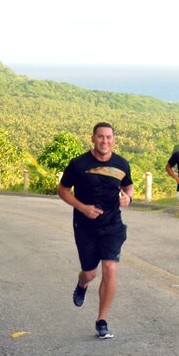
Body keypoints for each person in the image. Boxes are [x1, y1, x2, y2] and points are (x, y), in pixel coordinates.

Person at [58, 122, 134, 339]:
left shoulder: (121, 163)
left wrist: (128, 197)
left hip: (112, 225)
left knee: (110, 268)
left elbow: (128, 185)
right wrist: (82, 207)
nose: (105, 141)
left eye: (109, 137)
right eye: (100, 137)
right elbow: (62, 189)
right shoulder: (78, 164)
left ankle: (102, 320)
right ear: (93, 138)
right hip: (85, 225)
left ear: (113, 139)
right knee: (90, 273)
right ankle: (82, 284)